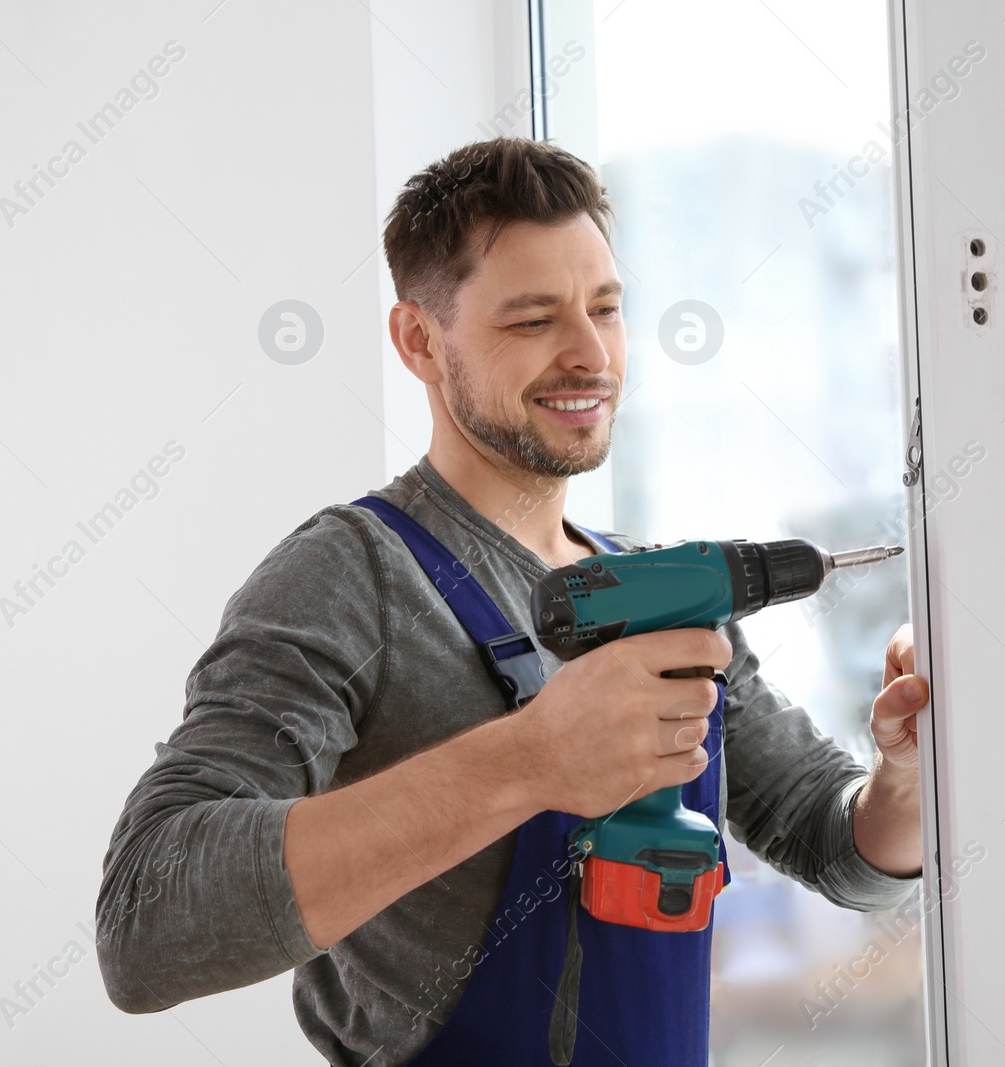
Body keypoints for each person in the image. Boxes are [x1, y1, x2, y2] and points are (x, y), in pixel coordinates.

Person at [96, 136, 926, 1066]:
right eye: (533, 320)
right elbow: (146, 926)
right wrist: (530, 758)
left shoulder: (663, 591)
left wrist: (905, 775)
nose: (590, 353)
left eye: (606, 308)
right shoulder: (351, 577)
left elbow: (839, 844)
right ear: (419, 339)